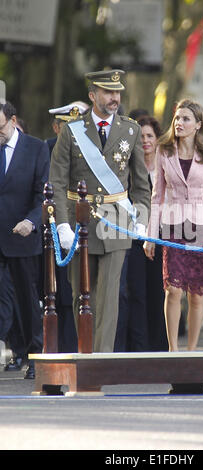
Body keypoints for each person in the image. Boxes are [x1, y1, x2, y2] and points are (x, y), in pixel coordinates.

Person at [49, 69, 151, 352]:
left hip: (117, 220)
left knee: (110, 295)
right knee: (83, 295)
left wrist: (141, 219)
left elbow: (141, 184)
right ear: (93, 96)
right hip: (79, 222)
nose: (114, 98)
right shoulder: (72, 131)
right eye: (108, 92)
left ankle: (100, 359)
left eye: (117, 92)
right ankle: (85, 351)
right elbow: (56, 181)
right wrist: (62, 225)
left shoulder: (130, 130)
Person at [144, 99, 203, 352]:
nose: (179, 123)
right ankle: (173, 350)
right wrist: (150, 235)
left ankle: (192, 352)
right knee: (173, 290)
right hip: (173, 227)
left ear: (198, 124)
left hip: (202, 226)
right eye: (177, 118)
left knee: (196, 294)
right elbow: (157, 196)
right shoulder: (163, 150)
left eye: (186, 119)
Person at [0, 101, 50, 378]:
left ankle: (34, 355)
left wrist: (31, 221)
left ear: (13, 120)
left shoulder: (35, 148)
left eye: (0, 128)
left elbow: (42, 195)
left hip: (22, 236)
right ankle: (16, 350)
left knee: (26, 300)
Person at [114, 116, 168, 352]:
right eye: (141, 136)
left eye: (149, 136)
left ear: (157, 140)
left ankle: (159, 347)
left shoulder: (166, 164)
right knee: (136, 292)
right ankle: (138, 346)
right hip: (134, 239)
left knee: (159, 292)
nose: (145, 140)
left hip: (161, 238)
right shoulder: (126, 165)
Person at [46, 103, 89, 353]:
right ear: (56, 127)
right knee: (62, 293)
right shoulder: (48, 148)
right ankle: (62, 347)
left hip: (88, 226)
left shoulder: (93, 149)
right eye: (66, 127)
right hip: (60, 226)